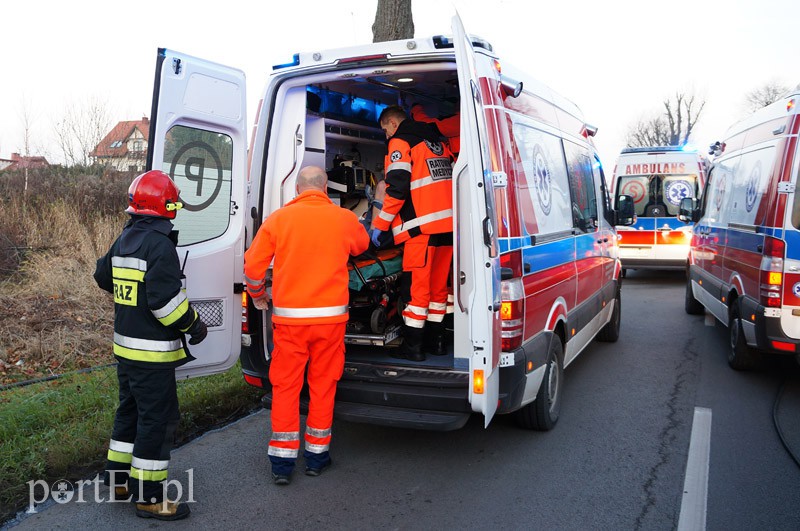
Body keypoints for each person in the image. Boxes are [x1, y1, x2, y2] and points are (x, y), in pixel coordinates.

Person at [243, 165, 369, 485]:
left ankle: (282, 465)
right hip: (330, 323)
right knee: (323, 386)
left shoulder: (279, 220)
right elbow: (363, 246)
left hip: (290, 324)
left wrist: (259, 296)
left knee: (286, 388)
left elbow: (253, 267)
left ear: (297, 189)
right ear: (325, 188)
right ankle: (316, 457)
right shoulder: (344, 219)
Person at [94, 170, 208, 521]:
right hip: (152, 355)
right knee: (156, 422)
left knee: (128, 412)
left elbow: (102, 275)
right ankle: (149, 498)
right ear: (165, 206)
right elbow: (165, 304)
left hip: (125, 350)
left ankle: (118, 481)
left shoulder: (127, 236)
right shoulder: (159, 244)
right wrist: (194, 325)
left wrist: (131, 297)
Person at [370, 105, 454, 362]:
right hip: (447, 228)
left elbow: (396, 190)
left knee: (417, 292)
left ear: (393, 123)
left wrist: (379, 226)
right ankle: (438, 342)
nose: (386, 136)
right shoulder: (436, 142)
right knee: (439, 289)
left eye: (385, 129)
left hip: (421, 230)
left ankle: (414, 348)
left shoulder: (400, 142)